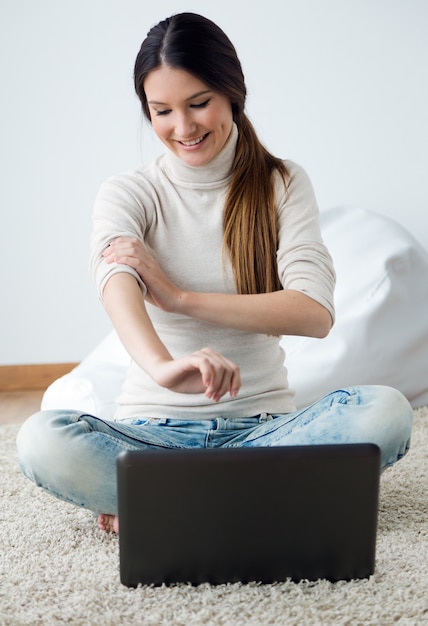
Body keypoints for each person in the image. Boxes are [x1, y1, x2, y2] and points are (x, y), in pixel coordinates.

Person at [17, 12, 413, 534]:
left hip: (264, 433)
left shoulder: (283, 183)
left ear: (232, 93)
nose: (183, 128)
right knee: (40, 438)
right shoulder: (129, 192)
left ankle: (163, 501)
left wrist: (179, 297)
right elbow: (115, 280)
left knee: (386, 411)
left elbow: (314, 314)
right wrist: (163, 368)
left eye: (199, 103)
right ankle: (259, 498)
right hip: (154, 438)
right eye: (162, 111)